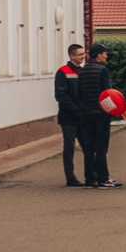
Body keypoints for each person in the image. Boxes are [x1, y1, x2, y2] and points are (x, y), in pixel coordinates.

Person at [74, 44, 119, 189]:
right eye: (105, 54)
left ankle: (89, 178)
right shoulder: (103, 70)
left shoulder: (83, 71)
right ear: (98, 55)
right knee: (101, 146)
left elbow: (79, 93)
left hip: (87, 113)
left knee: (89, 146)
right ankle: (103, 178)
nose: (106, 56)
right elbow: (108, 93)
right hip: (101, 113)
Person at [54, 42, 86, 185]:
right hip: (69, 117)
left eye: (83, 54)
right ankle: (70, 177)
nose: (83, 57)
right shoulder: (63, 72)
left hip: (83, 116)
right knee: (69, 147)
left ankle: (91, 174)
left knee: (87, 145)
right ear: (71, 56)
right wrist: (75, 108)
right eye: (79, 54)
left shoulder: (82, 71)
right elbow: (60, 94)